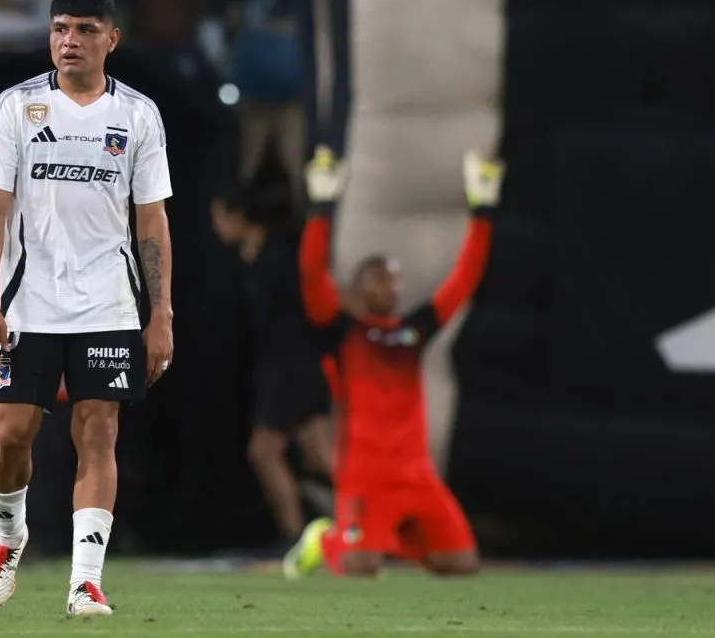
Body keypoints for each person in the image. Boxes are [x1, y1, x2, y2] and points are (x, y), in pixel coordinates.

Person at [0, 0, 173, 616]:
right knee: (11, 433)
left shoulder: (138, 115)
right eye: (60, 28)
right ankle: (9, 534)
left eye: (85, 29)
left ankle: (85, 580)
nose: (69, 41)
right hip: (28, 301)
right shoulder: (17, 107)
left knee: (99, 429)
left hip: (108, 301)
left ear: (112, 38)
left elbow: (151, 222)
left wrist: (160, 312)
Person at [283, 149, 504, 579]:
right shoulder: (341, 330)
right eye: (382, 275)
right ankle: (327, 539)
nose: (392, 284)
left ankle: (380, 538)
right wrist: (322, 207)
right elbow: (311, 272)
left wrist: (483, 211)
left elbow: (464, 280)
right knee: (357, 568)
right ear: (359, 284)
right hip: (365, 475)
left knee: (461, 566)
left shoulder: (413, 333)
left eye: (396, 277)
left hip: (417, 474)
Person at [211, 186, 333, 547]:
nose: (214, 226)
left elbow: (309, 311)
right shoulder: (246, 258)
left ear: (237, 216)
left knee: (263, 452)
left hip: (293, 367)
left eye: (218, 216)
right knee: (322, 456)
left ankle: (294, 536)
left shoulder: (280, 256)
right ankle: (365, 529)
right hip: (278, 367)